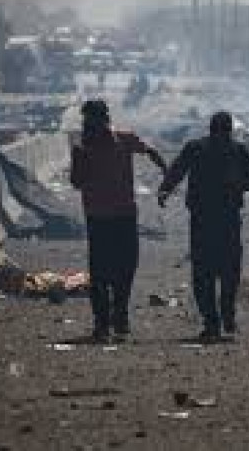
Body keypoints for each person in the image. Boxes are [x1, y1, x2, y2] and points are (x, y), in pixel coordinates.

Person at [70, 99, 167, 342]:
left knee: (116, 269)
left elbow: (149, 151)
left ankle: (113, 319)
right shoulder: (90, 146)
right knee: (110, 271)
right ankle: (108, 322)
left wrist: (165, 171)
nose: (91, 125)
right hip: (109, 217)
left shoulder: (118, 140)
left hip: (113, 216)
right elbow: (76, 182)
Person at [158, 112, 249, 340]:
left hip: (221, 220)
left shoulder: (235, 151)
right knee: (210, 273)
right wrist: (165, 189)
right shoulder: (204, 149)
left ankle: (224, 316)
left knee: (222, 272)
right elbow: (178, 169)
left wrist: (165, 189)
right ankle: (215, 320)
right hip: (209, 220)